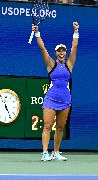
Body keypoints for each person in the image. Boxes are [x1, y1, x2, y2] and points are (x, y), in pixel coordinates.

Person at [32, 22, 79, 161]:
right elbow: (42, 49)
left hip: (65, 100)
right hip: (51, 99)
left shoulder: (69, 64)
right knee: (47, 126)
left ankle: (56, 152)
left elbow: (74, 47)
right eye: (59, 50)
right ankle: (45, 152)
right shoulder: (51, 64)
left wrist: (76, 31)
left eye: (63, 50)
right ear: (55, 53)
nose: (62, 52)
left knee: (59, 128)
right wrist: (37, 33)